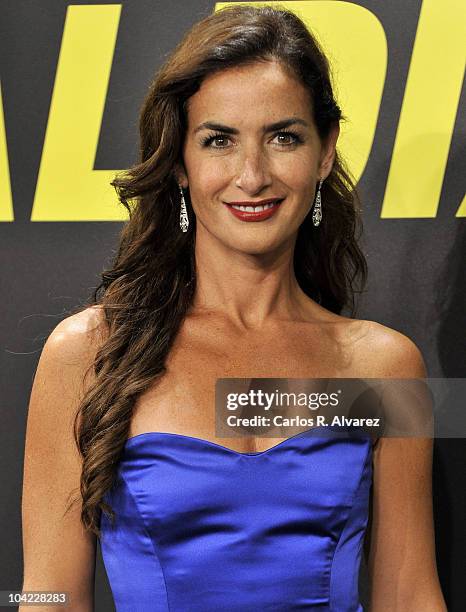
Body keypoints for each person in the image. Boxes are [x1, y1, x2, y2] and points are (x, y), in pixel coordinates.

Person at [21, 5, 446, 611]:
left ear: (325, 153)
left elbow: (409, 597)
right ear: (180, 164)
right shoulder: (88, 354)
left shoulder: (383, 366)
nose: (252, 175)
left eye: (284, 137)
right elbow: (49, 598)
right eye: (219, 140)